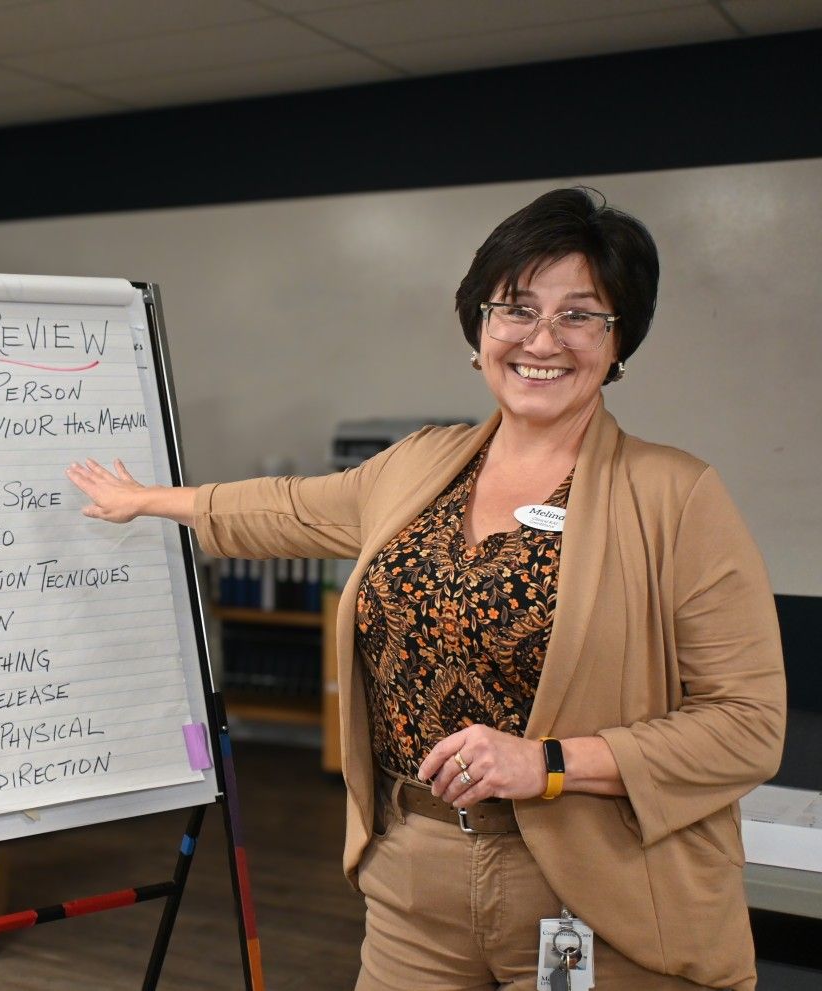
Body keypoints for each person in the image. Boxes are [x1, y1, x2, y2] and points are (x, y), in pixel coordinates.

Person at [66, 188, 786, 991]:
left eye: (582, 314)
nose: (543, 338)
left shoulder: (675, 495)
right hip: (416, 871)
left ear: (619, 343)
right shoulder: (421, 464)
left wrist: (546, 762)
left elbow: (748, 725)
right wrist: (152, 502)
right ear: (479, 330)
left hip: (591, 886)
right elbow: (291, 506)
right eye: (516, 307)